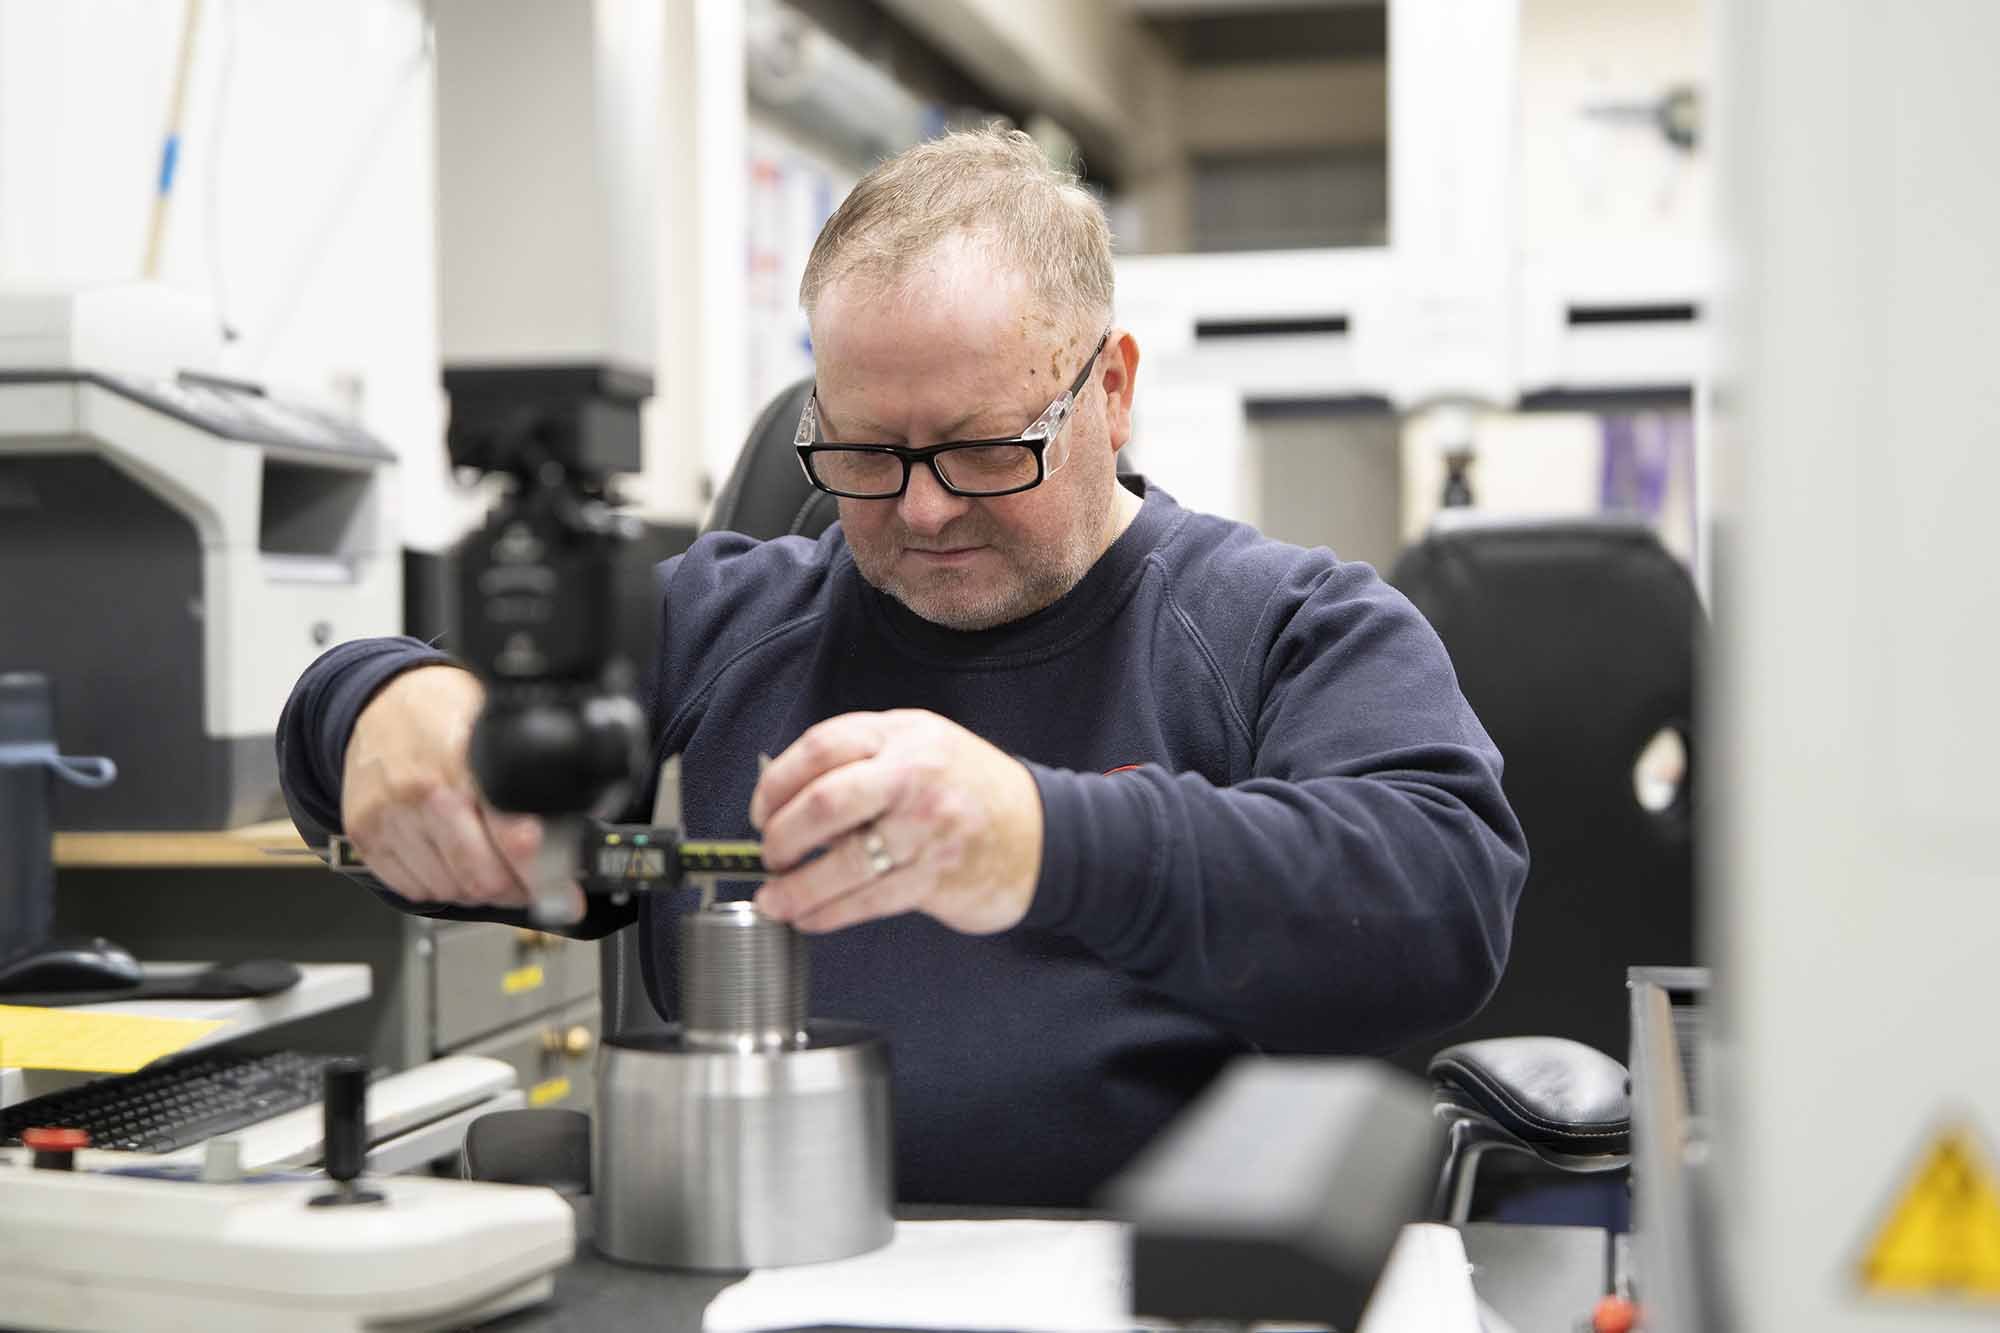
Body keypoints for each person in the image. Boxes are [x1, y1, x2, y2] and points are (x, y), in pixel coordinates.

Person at [278, 127, 1527, 1207]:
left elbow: (1440, 892)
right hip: (749, 1263)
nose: (922, 512)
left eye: (985, 449)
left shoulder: (1283, 623)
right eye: (866, 453)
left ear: (1112, 389)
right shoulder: (733, 617)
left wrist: (1038, 837)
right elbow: (367, 714)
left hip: (1148, 1288)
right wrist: (381, 710)